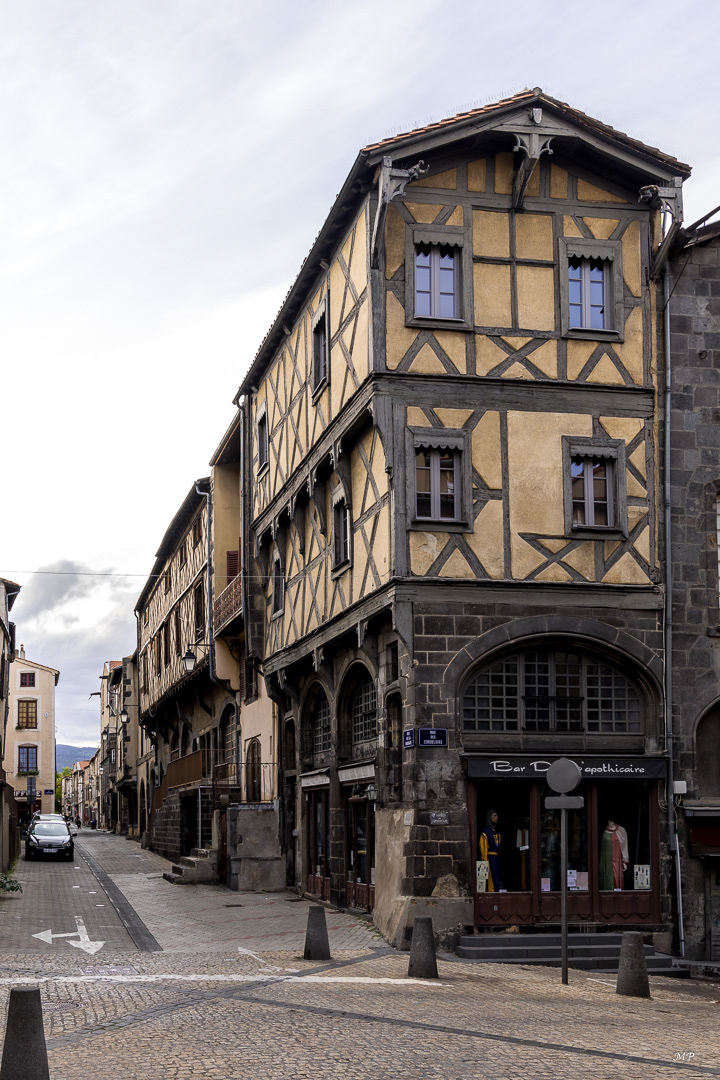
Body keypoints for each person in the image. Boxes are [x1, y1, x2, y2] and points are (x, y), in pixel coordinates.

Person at [599, 819, 629, 890]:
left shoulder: (621, 830)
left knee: (616, 877)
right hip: (605, 860)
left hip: (617, 859)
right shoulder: (602, 831)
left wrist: (624, 861)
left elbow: (624, 846)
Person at [479, 808, 504, 892]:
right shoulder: (485, 831)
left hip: (497, 858)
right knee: (491, 878)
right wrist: (485, 861)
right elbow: (483, 847)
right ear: (490, 817)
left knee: (497, 877)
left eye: (497, 815)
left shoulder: (496, 831)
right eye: (494, 815)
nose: (497, 817)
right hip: (490, 858)